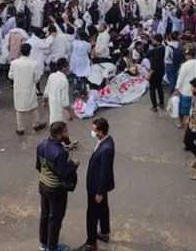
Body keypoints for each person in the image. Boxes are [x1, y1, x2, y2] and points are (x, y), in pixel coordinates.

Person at [36, 122, 79, 251]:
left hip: (43, 184)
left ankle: (43, 242)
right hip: (55, 189)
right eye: (66, 131)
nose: (68, 133)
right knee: (55, 218)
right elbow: (63, 173)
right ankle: (52, 247)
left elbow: (38, 166)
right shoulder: (60, 153)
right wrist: (74, 165)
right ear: (60, 134)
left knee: (45, 214)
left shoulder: (41, 144)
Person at [76, 118, 115, 251]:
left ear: (101, 132)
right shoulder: (105, 141)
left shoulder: (106, 149)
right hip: (100, 185)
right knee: (103, 208)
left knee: (92, 214)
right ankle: (104, 232)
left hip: (96, 186)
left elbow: (104, 172)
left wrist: (99, 192)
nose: (92, 132)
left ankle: (91, 243)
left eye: (94, 130)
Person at [9, 43, 46, 135]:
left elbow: (10, 76)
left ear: (21, 51)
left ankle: (20, 128)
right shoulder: (34, 63)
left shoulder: (14, 63)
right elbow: (37, 78)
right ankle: (36, 124)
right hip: (29, 88)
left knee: (19, 109)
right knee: (33, 107)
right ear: (30, 51)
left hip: (18, 88)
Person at [174, 49, 196, 129]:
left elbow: (180, 78)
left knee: (182, 109)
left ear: (188, 56)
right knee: (193, 109)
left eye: (187, 55)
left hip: (185, 91)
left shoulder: (184, 65)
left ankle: (181, 123)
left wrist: (176, 89)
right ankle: (190, 122)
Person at [44, 58, 75, 127]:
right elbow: (65, 102)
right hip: (60, 113)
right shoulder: (64, 80)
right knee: (61, 131)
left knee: (53, 127)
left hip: (53, 110)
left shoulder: (51, 76)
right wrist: (71, 112)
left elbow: (46, 92)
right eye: (68, 66)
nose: (69, 68)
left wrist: (45, 102)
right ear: (64, 68)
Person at [147, 34, 166, 112]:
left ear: (156, 40)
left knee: (152, 89)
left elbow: (153, 64)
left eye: (153, 40)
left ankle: (154, 106)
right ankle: (161, 102)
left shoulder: (154, 50)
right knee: (159, 86)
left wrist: (149, 74)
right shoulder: (163, 48)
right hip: (161, 70)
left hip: (154, 72)